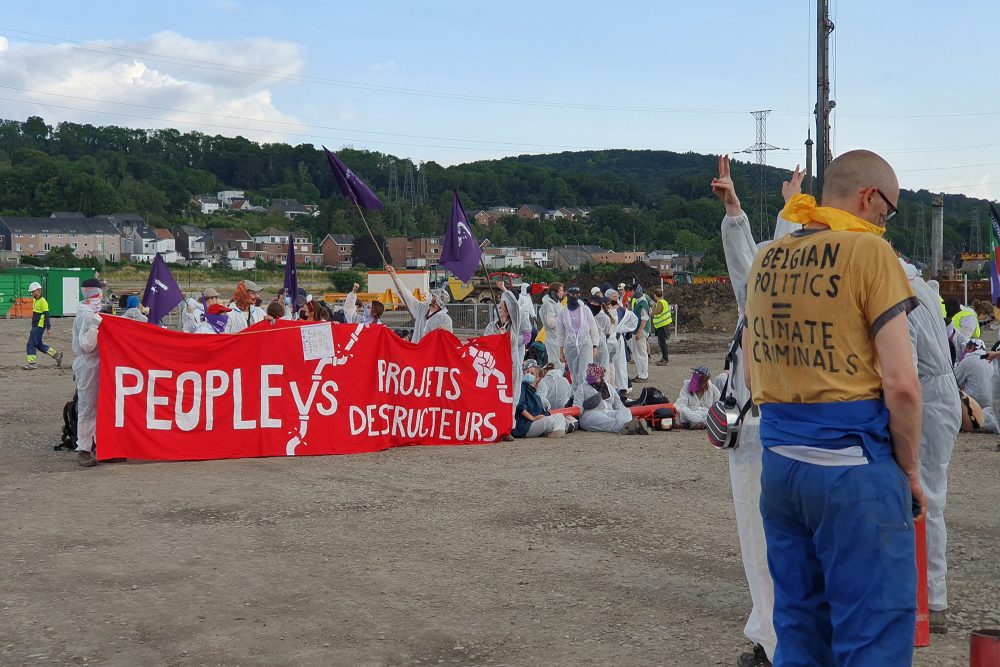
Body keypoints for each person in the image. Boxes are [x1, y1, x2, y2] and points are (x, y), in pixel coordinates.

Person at [744, 149, 924, 665]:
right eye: (886, 214)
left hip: (780, 465)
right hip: (854, 467)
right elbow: (902, 385)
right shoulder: (870, 255)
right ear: (869, 198)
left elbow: (757, 373)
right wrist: (909, 470)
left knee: (799, 627)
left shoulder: (766, 258)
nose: (883, 225)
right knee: (872, 631)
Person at [713, 152, 798, 665]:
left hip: (762, 430)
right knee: (782, 544)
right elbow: (754, 260)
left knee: (764, 543)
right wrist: (744, 212)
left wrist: (736, 211)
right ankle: (779, 635)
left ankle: (773, 641)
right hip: (785, 428)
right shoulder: (779, 294)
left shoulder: (762, 295)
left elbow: (751, 266)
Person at [896, 258, 963, 635]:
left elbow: (901, 365)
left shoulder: (900, 293)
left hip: (927, 396)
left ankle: (931, 598)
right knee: (931, 492)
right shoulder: (922, 286)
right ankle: (928, 594)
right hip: (941, 392)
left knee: (926, 497)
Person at [73, 278, 105, 467]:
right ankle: (84, 449)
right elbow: (86, 345)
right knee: (87, 407)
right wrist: (94, 325)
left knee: (103, 405)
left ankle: (103, 446)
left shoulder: (94, 312)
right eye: (101, 291)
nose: (103, 294)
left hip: (101, 363)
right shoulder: (86, 315)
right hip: (88, 364)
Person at [573, 363, 648, 435]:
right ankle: (634, 428)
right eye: (591, 377)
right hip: (591, 415)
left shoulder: (610, 387)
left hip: (609, 412)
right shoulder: (582, 387)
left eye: (595, 377)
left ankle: (628, 427)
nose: (593, 380)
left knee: (626, 411)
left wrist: (623, 413)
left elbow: (619, 406)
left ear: (601, 376)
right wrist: (578, 409)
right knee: (609, 421)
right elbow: (577, 405)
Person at [485, 283, 524, 419]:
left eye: (501, 307)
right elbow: (486, 344)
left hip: (512, 366)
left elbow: (515, 306)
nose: (498, 309)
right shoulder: (492, 326)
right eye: (499, 306)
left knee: (511, 396)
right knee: (496, 396)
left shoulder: (514, 326)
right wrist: (498, 338)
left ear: (507, 311)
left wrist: (504, 290)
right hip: (496, 367)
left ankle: (509, 425)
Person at [386, 265, 452, 343]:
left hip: (431, 353)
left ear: (437, 302)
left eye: (433, 296)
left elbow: (448, 341)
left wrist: (443, 334)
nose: (430, 297)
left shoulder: (445, 319)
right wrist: (394, 276)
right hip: (416, 349)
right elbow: (407, 296)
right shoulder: (422, 308)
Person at [556, 286, 600, 392]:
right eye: (573, 294)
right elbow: (561, 333)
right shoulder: (563, 313)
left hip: (585, 343)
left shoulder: (585, 309)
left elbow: (593, 327)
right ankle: (575, 395)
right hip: (570, 345)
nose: (575, 296)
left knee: (584, 372)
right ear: (568, 295)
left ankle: (584, 394)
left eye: (577, 294)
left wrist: (594, 346)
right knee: (574, 373)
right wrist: (561, 351)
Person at [513, 369, 570, 438]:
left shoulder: (536, 395)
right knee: (549, 420)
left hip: (534, 422)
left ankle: (555, 433)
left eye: (532, 373)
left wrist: (545, 415)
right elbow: (519, 406)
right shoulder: (521, 388)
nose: (528, 374)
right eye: (528, 372)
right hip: (524, 426)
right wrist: (532, 418)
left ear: (538, 378)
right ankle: (552, 431)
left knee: (559, 416)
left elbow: (542, 412)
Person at [23, 281, 63, 369]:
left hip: (39, 327)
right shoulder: (35, 300)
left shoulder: (43, 301)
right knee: (38, 344)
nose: (31, 293)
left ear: (38, 290)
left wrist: (48, 328)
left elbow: (47, 316)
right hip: (35, 326)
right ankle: (57, 355)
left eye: (33, 291)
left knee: (30, 344)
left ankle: (32, 364)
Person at [539, 283, 565, 372]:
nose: (563, 293)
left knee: (561, 364)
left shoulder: (557, 303)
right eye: (561, 290)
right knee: (556, 364)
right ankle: (555, 384)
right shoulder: (548, 304)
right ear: (554, 292)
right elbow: (550, 322)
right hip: (553, 338)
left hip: (559, 338)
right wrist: (562, 319)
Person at [630, 285, 651, 383]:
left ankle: (644, 375)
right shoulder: (639, 302)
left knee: (641, 354)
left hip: (640, 331)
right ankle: (641, 374)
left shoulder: (643, 303)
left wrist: (639, 332)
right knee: (638, 354)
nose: (631, 293)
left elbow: (644, 319)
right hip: (638, 330)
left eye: (632, 291)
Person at [650, 286, 672, 366]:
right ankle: (664, 358)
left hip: (662, 326)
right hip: (663, 325)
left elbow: (657, 312)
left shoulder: (660, 303)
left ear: (655, 295)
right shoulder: (664, 301)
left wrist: (652, 309)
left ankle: (665, 359)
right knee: (662, 342)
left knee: (662, 343)